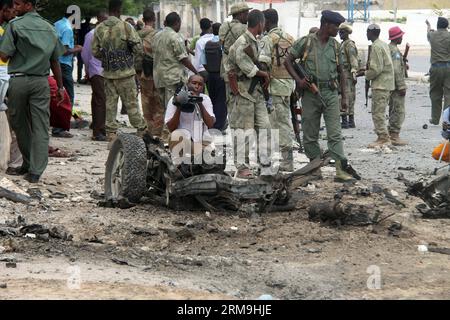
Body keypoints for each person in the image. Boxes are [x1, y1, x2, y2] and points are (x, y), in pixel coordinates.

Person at [285, 10, 355, 182]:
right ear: (326, 25)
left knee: (335, 133)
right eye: (335, 26)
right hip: (310, 94)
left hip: (330, 93)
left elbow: (342, 73)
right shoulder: (306, 42)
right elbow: (288, 60)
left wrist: (344, 97)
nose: (338, 30)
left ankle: (340, 169)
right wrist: (299, 80)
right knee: (309, 133)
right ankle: (315, 168)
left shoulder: (336, 46)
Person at [0, 0, 65, 183]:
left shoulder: (15, 26)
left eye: (18, 4)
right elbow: (55, 61)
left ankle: (28, 163)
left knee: (19, 124)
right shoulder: (49, 27)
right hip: (41, 81)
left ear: (29, 5)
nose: (15, 8)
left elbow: (4, 55)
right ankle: (35, 170)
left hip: (19, 80)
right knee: (41, 126)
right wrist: (60, 87)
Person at [92, 0, 147, 142]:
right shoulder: (126, 27)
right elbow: (138, 49)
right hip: (126, 74)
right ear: (119, 10)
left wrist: (108, 56)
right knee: (132, 105)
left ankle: (111, 135)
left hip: (108, 74)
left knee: (110, 105)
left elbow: (95, 52)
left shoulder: (99, 28)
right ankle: (142, 131)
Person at [226, 9, 272, 178]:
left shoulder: (255, 41)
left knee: (265, 127)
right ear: (260, 23)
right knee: (243, 131)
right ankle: (242, 166)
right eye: (264, 23)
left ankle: (265, 163)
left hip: (257, 92)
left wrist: (265, 71)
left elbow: (260, 61)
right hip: (243, 92)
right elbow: (248, 68)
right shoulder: (242, 42)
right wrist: (263, 74)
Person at [259, 9, 295, 172]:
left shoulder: (267, 39)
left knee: (277, 125)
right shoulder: (289, 38)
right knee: (284, 122)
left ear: (266, 21)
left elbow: (263, 64)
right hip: (288, 86)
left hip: (274, 87)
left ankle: (285, 162)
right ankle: (282, 160)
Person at [152, 11, 197, 137]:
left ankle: (157, 135)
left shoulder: (156, 36)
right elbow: (183, 58)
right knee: (173, 107)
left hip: (159, 78)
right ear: (177, 23)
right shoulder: (175, 37)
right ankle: (168, 136)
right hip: (173, 79)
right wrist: (196, 72)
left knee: (162, 108)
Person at [165, 74, 215, 152]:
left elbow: (210, 124)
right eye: (194, 83)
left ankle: (197, 155)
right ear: (188, 84)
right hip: (183, 140)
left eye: (200, 84)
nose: (197, 86)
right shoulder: (175, 99)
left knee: (214, 158)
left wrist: (199, 103)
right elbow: (171, 128)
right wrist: (179, 106)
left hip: (201, 142)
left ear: (203, 88)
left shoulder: (205, 99)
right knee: (175, 136)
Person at [364, 24, 395, 148]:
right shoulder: (383, 44)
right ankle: (382, 136)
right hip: (386, 84)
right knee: (380, 112)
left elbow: (376, 68)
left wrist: (366, 74)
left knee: (378, 113)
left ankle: (383, 138)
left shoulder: (376, 46)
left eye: (367, 32)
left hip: (380, 85)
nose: (366, 35)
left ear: (371, 33)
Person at [54, 11, 84, 138]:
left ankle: (71, 119)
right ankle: (60, 128)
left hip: (55, 63)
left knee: (59, 95)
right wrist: (78, 48)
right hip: (64, 65)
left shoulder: (56, 24)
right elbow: (64, 51)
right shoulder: (67, 29)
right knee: (68, 96)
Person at [136, 8, 164, 137]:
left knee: (146, 101)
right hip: (156, 73)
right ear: (154, 19)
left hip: (142, 73)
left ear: (143, 20)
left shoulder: (137, 34)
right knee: (158, 103)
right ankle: (157, 131)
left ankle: (148, 128)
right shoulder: (157, 35)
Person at [81, 9, 108, 141]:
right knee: (100, 101)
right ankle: (98, 132)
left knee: (98, 99)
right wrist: (87, 70)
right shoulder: (91, 34)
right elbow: (85, 55)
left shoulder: (108, 34)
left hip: (105, 72)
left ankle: (96, 126)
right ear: (100, 19)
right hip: (96, 71)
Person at [219, 2, 250, 98]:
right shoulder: (243, 28)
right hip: (239, 71)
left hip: (225, 68)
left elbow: (221, 44)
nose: (248, 17)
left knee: (230, 99)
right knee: (240, 99)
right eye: (247, 14)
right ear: (241, 14)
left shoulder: (223, 26)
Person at [201, 22, 227, 131]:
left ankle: (212, 122)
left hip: (210, 76)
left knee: (212, 99)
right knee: (221, 101)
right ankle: (219, 125)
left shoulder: (207, 44)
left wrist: (210, 70)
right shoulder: (223, 44)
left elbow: (203, 62)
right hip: (221, 75)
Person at [426, 17, 450, 125]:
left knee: (435, 93)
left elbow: (428, 33)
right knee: (448, 94)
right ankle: (446, 120)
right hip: (448, 68)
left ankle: (435, 119)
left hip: (435, 68)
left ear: (437, 25)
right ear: (446, 25)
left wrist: (428, 26)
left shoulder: (432, 35)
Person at [388, 26, 408, 146]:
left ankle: (391, 134)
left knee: (393, 108)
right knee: (398, 110)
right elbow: (396, 69)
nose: (402, 38)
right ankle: (394, 135)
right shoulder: (394, 51)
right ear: (397, 37)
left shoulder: (389, 48)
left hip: (390, 84)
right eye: (401, 36)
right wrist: (401, 85)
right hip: (396, 86)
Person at [338, 22, 361, 129]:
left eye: (342, 32)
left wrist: (354, 72)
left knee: (347, 96)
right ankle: (347, 120)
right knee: (346, 95)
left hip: (347, 73)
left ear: (347, 33)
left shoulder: (349, 45)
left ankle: (347, 121)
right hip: (343, 73)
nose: (340, 34)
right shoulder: (342, 44)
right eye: (339, 32)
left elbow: (353, 60)